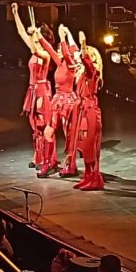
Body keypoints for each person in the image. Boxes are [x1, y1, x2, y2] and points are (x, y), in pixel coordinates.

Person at [12, 2, 56, 176]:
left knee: (44, 126)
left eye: (38, 39)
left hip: (42, 91)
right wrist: (16, 14)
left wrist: (36, 35)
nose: (34, 42)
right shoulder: (34, 51)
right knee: (34, 127)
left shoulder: (45, 55)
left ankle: (49, 159)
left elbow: (33, 46)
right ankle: (38, 155)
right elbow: (21, 33)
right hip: (33, 90)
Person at [47, 24, 80, 177]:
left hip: (68, 102)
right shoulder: (59, 63)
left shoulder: (71, 64)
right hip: (57, 100)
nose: (59, 50)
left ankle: (71, 165)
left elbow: (69, 52)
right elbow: (48, 48)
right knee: (49, 130)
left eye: (61, 48)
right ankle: (49, 162)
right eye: (59, 48)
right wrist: (38, 36)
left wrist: (63, 36)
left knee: (69, 135)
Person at [74, 33, 105, 190]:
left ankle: (95, 178)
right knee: (83, 145)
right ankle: (87, 176)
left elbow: (86, 62)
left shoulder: (93, 72)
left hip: (91, 111)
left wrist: (84, 43)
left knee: (91, 146)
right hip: (83, 111)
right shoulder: (81, 74)